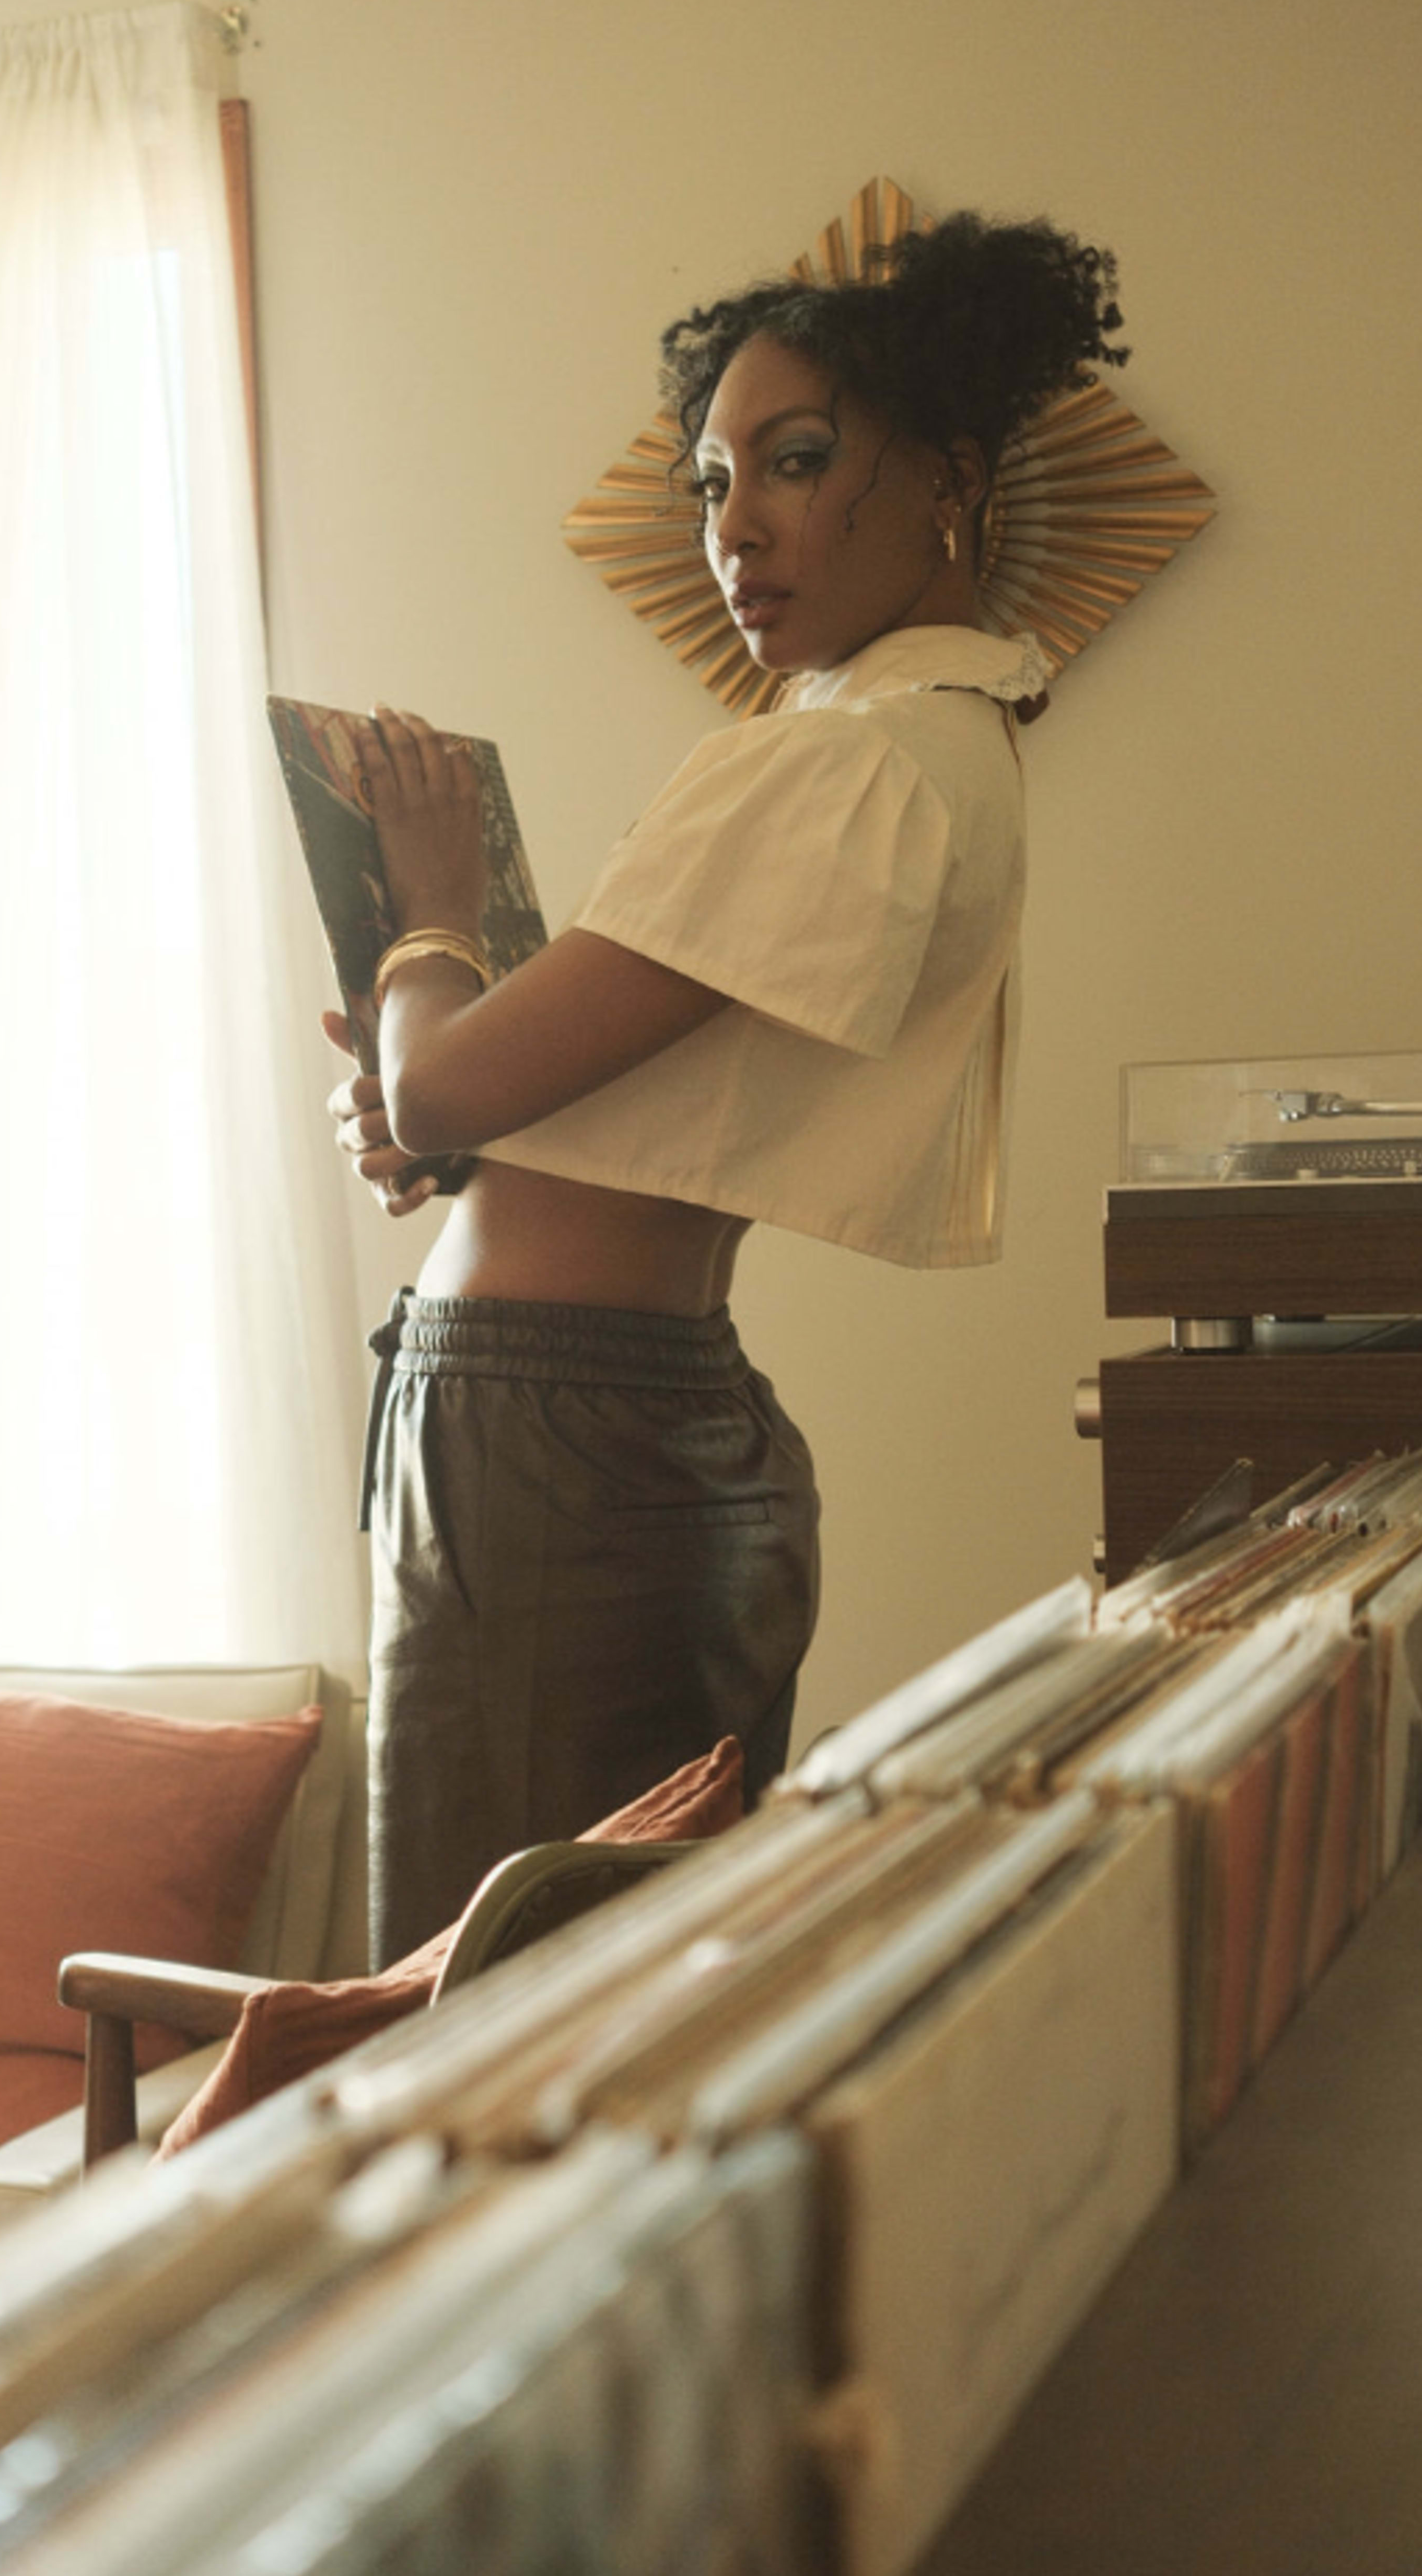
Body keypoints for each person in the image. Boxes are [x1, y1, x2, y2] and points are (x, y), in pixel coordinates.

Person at [330, 211, 1127, 1965]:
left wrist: (427, 915)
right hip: (634, 1423)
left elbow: (446, 1082)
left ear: (950, 481)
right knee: (594, 1993)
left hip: (552, 1442)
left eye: (799, 460)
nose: (736, 527)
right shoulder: (930, 751)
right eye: (711, 481)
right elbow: (574, 1112)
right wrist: (449, 1124)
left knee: (485, 2013)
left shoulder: (848, 763)